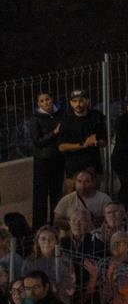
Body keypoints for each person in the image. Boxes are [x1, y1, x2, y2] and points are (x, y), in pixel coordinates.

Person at [31, 93, 64, 228]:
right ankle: (39, 226)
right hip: (43, 161)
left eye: (47, 99)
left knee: (56, 193)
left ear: (52, 100)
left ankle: (55, 224)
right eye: (42, 101)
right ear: (39, 104)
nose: (45, 103)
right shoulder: (35, 119)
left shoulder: (60, 114)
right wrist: (54, 133)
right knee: (41, 194)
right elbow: (37, 141)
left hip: (58, 159)